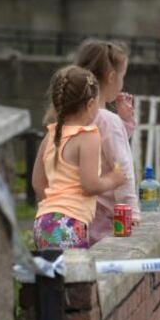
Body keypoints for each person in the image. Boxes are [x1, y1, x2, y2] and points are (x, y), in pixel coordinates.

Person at [32, 66, 128, 250]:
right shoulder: (88, 136)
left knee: (54, 278)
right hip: (69, 224)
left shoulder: (51, 135)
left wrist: (55, 208)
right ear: (91, 104)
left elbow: (38, 182)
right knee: (76, 277)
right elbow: (90, 185)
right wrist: (113, 179)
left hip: (43, 222)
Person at [74, 40, 140, 243]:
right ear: (112, 77)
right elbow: (122, 167)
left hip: (79, 214)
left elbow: (104, 152)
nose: (122, 83)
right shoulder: (108, 121)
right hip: (106, 218)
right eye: (123, 76)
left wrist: (125, 123)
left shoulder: (75, 115)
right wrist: (132, 213)